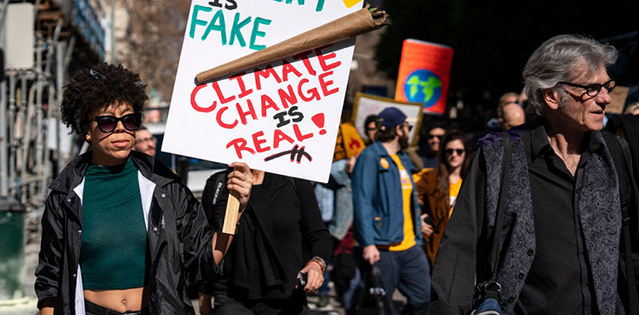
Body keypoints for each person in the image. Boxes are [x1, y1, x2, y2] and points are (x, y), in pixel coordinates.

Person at [430, 34, 639, 315]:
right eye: (592, 88)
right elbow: (460, 247)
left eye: (606, 86)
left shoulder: (616, 154)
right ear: (552, 96)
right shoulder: (498, 156)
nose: (605, 98)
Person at [34, 63, 254, 315]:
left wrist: (236, 208)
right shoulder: (66, 194)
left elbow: (202, 260)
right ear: (86, 130)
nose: (120, 128)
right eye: (107, 122)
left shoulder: (164, 186)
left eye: (129, 120)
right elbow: (49, 277)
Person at [199, 167, 333, 315]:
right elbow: (205, 247)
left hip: (287, 298)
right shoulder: (219, 184)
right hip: (232, 297)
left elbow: (319, 235)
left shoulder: (293, 181)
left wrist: (316, 264)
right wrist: (204, 297)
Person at [352, 107, 431, 315]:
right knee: (380, 307)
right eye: (408, 127)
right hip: (383, 248)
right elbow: (362, 201)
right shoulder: (370, 157)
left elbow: (407, 201)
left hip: (411, 245)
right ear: (398, 129)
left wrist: (416, 222)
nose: (409, 132)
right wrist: (368, 243)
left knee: (424, 297)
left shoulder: (403, 159)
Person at [414, 130, 470, 266]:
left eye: (459, 151)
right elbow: (405, 195)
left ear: (466, 153)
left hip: (464, 248)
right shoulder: (431, 178)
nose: (454, 155)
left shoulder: (472, 181)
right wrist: (416, 221)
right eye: (449, 151)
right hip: (437, 247)